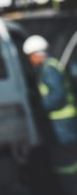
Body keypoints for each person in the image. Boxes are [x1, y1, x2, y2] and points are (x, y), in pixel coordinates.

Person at [24, 35, 77, 178]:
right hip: (61, 121)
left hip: (62, 122)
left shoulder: (49, 69)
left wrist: (40, 109)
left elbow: (57, 94)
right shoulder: (48, 67)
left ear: (38, 54)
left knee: (66, 158)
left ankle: (70, 188)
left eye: (30, 56)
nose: (30, 60)